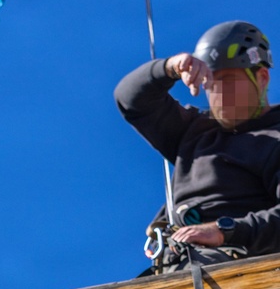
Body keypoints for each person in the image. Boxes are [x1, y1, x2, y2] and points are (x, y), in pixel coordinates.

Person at [115, 21, 280, 268]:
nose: (217, 91)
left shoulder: (275, 138)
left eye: (227, 80)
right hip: (180, 261)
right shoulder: (194, 131)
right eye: (211, 82)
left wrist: (225, 231)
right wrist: (170, 68)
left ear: (262, 77)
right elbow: (131, 100)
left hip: (241, 268)